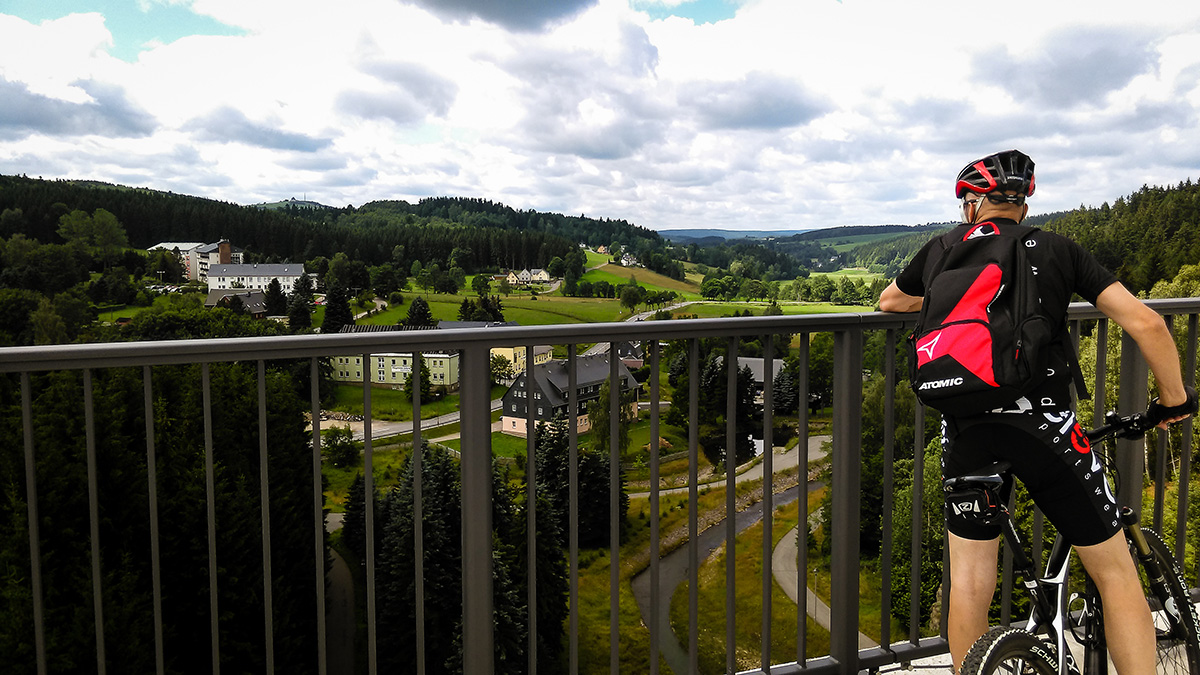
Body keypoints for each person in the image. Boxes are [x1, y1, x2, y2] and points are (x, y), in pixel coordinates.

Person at [879, 149, 1196, 674]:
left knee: (970, 585)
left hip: (964, 429)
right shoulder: (1055, 250)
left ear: (974, 203)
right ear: (1023, 203)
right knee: (1115, 574)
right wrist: (1174, 400)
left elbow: (891, 302)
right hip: (1041, 426)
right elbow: (1147, 325)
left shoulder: (940, 250)